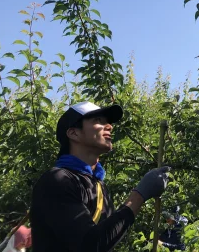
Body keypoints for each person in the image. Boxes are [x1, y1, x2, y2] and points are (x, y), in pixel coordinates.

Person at [30, 101, 171, 252]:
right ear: (74, 133)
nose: (109, 126)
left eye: (108, 122)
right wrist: (139, 195)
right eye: (98, 121)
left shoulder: (98, 184)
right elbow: (90, 245)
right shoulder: (57, 181)